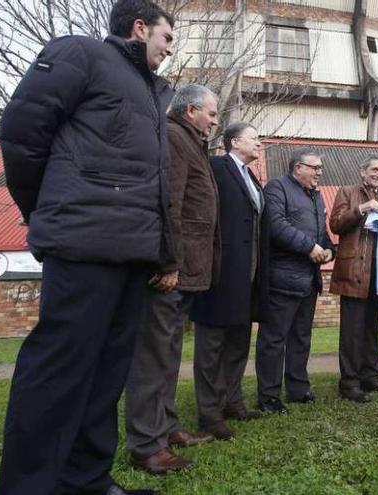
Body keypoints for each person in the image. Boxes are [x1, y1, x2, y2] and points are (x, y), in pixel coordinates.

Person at [0, 0, 174, 493]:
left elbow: (156, 184)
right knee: (60, 370)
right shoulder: (82, 54)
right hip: (83, 243)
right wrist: (47, 212)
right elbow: (22, 132)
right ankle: (29, 486)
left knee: (105, 374)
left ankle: (87, 478)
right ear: (140, 28)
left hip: (132, 250)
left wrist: (162, 249)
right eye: (166, 38)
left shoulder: (150, 92)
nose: (168, 50)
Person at [124, 85, 219, 474]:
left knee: (169, 353)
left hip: (187, 271)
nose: (215, 120)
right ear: (191, 109)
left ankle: (166, 429)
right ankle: (147, 445)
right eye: (211, 113)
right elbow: (169, 203)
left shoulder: (190, 140)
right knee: (153, 357)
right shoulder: (174, 139)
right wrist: (168, 262)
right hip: (171, 271)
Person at [190, 122, 270, 439]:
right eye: (254, 138)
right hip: (220, 273)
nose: (260, 144)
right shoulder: (216, 167)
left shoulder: (251, 177)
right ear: (234, 142)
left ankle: (232, 402)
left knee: (238, 343)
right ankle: (209, 414)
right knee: (211, 347)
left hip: (248, 276)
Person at [255, 149, 334, 413]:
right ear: (298, 167)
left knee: (301, 337)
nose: (319, 173)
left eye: (320, 169)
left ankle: (298, 389)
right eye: (315, 168)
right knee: (274, 340)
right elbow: (275, 225)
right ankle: (268, 397)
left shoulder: (316, 195)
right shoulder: (277, 188)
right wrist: (309, 247)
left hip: (308, 280)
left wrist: (327, 247)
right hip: (283, 279)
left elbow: (321, 232)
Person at [329, 155, 378, 402]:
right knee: (352, 331)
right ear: (362, 172)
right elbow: (335, 224)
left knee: (372, 329)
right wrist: (361, 209)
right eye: (374, 169)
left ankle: (370, 376)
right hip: (354, 271)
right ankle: (349, 383)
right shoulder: (347, 192)